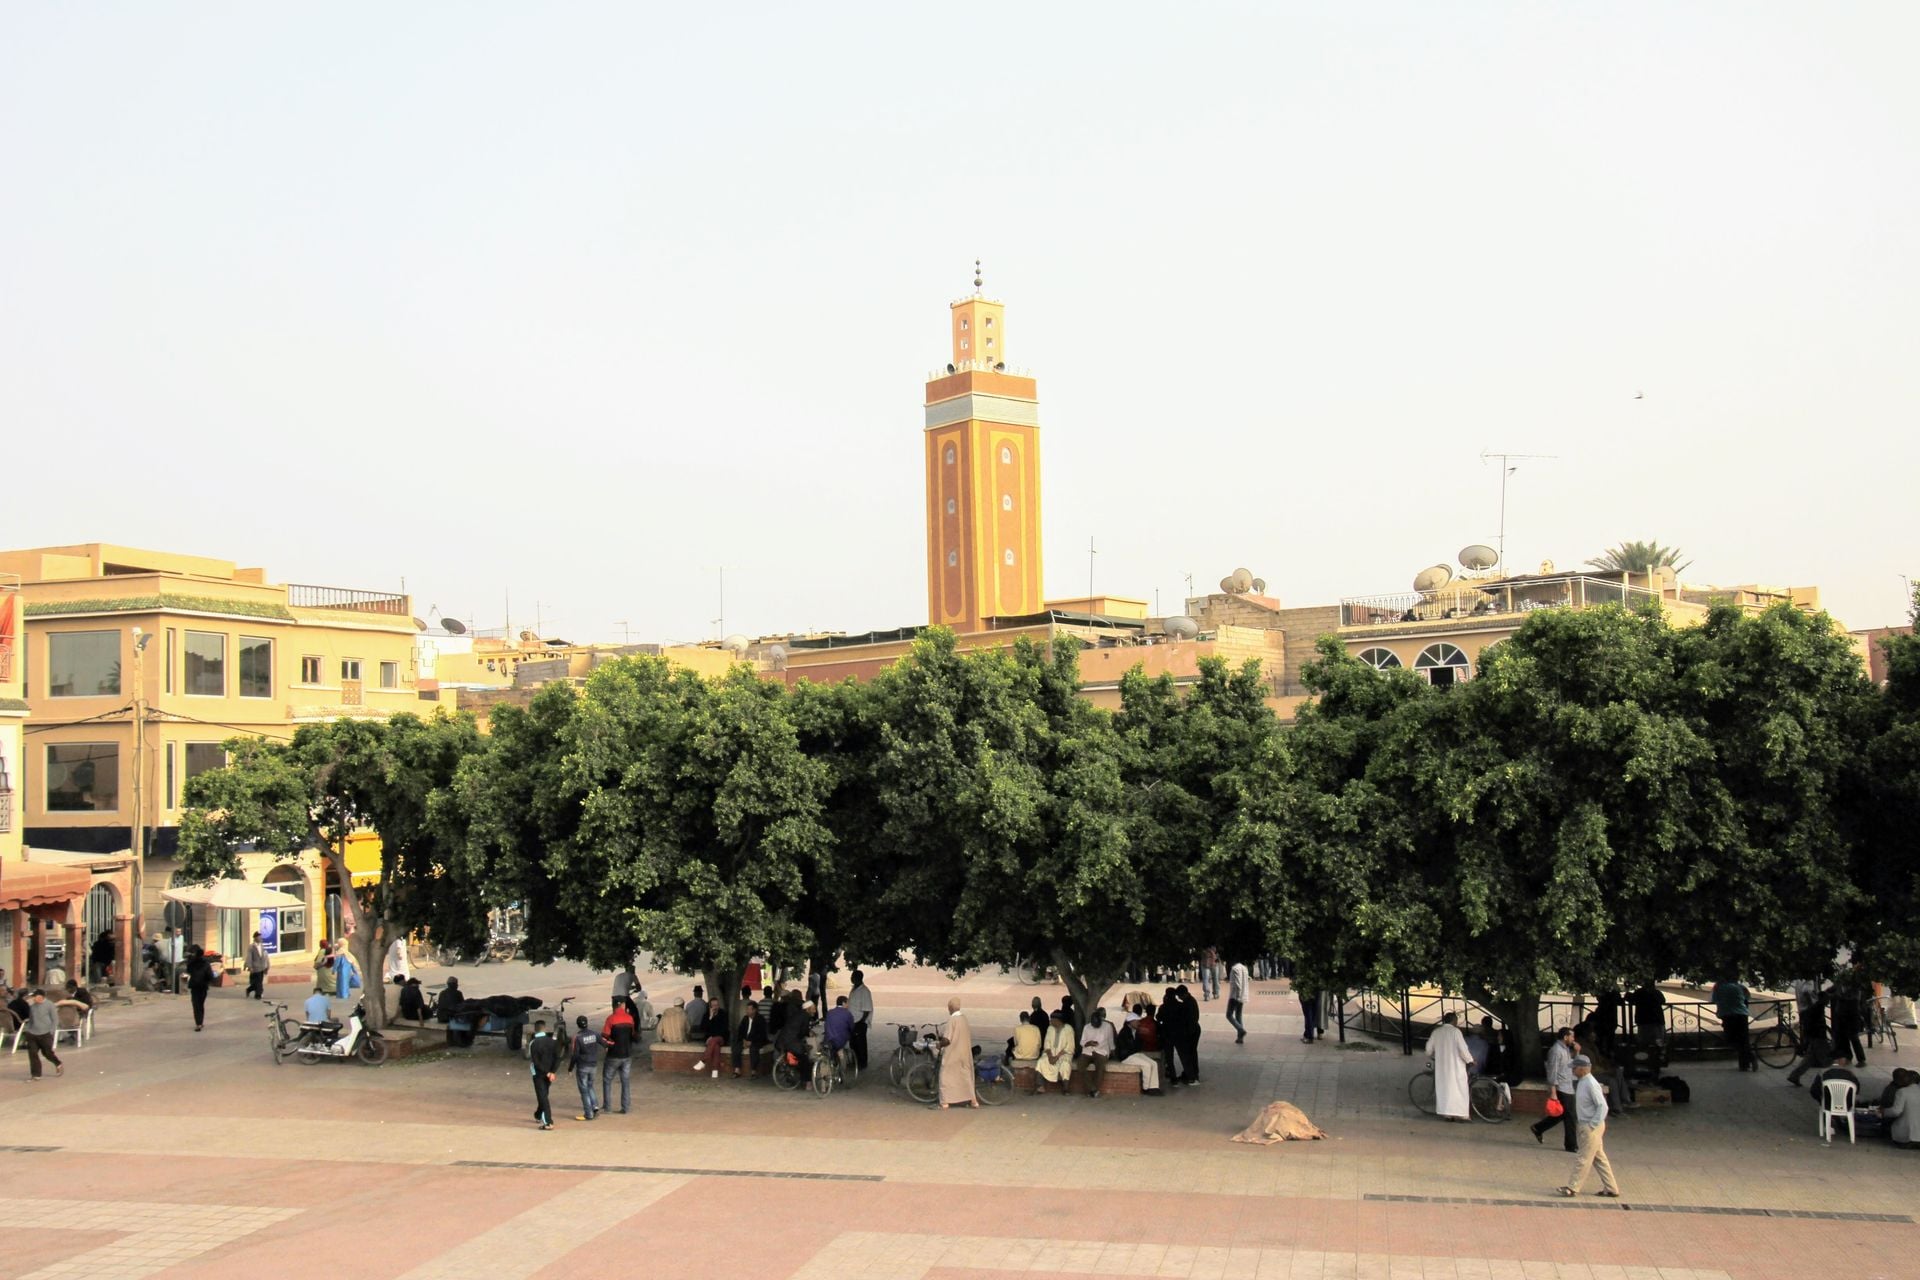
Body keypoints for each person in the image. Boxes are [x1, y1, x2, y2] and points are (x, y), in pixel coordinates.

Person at [1559, 1055, 1622, 1197]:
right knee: (1599, 1158)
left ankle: (1572, 1187)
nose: (1573, 1071)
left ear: (1582, 1068)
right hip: (1589, 1124)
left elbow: (1602, 1106)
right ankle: (1611, 1188)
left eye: (1574, 1068)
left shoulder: (1590, 1084)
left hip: (1589, 1125)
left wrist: (1592, 1124)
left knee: (1583, 1157)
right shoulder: (1583, 1081)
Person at [1531, 1027, 1579, 1151]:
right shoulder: (1556, 1051)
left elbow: (1570, 1064)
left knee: (1561, 1114)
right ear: (1565, 1037)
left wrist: (1576, 1052)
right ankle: (1571, 1145)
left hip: (1568, 1085)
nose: (1573, 1039)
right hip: (1561, 1088)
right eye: (1572, 1036)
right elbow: (1552, 1072)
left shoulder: (1566, 1050)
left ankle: (1539, 1128)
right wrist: (1553, 1092)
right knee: (1571, 1116)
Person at [1426, 1011, 1474, 1122]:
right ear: (1454, 1021)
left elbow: (1428, 1050)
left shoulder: (1436, 1032)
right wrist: (1470, 1060)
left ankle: (1447, 1114)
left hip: (1442, 1066)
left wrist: (1434, 1054)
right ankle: (1462, 1114)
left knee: (1445, 1089)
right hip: (1456, 1066)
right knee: (1460, 1089)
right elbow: (1463, 1049)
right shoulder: (1455, 1032)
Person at [935, 997, 977, 1109]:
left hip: (953, 1054)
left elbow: (947, 1040)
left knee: (945, 1076)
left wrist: (939, 1044)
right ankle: (973, 1100)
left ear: (950, 1008)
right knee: (966, 1076)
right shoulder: (964, 1019)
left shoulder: (952, 1020)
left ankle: (945, 1102)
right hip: (964, 1053)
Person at [1711, 977, 1755, 1072]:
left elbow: (1714, 999)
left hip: (1728, 1014)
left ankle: (1750, 1057)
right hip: (1742, 1014)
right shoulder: (1740, 987)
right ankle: (1745, 1064)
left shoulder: (1718, 987)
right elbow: (1747, 997)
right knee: (1743, 1039)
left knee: (1731, 1038)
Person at [1113, 1012, 1164, 1094]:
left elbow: (1138, 1046)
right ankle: (1146, 1088)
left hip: (1134, 1054)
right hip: (1126, 1056)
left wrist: (1141, 1035)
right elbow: (1126, 1049)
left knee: (1154, 1063)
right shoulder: (1124, 1033)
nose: (1138, 1023)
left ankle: (1154, 1087)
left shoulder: (1136, 1032)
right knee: (1146, 1065)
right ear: (1131, 1022)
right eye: (1136, 1021)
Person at [601, 998, 637, 1110]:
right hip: (627, 1055)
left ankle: (608, 1107)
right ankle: (625, 1107)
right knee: (625, 1081)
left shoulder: (610, 1019)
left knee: (607, 1080)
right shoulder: (630, 1019)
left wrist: (608, 1045)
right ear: (623, 1005)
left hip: (613, 1055)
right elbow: (633, 1035)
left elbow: (604, 1036)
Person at [20, 990, 63, 1080]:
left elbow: (55, 1020)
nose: (33, 998)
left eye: (35, 996)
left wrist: (51, 1031)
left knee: (47, 1053)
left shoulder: (50, 1005)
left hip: (45, 1033)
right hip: (32, 1033)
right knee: (33, 1054)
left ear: (41, 997)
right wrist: (27, 1030)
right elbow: (31, 1019)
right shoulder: (32, 1006)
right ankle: (36, 1075)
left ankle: (57, 1063)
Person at [568, 1015, 602, 1121]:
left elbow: (575, 1055)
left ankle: (588, 1114)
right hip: (593, 1065)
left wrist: (570, 1068)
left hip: (583, 1066)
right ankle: (595, 1106)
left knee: (584, 1091)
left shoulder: (578, 1037)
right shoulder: (594, 1034)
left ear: (578, 1025)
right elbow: (604, 1043)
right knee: (590, 1086)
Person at [528, 1020, 560, 1130]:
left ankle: (548, 1121)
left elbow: (536, 1062)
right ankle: (538, 1114)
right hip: (550, 1074)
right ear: (545, 1029)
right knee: (544, 1094)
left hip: (539, 1074)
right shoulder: (553, 1042)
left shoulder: (534, 1043)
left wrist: (546, 1072)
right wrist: (552, 1072)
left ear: (535, 1029)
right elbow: (558, 1058)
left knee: (542, 1097)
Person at [1080, 1006, 1117, 1098]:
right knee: (1080, 1066)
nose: (1095, 1025)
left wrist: (1113, 1052)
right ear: (1091, 1021)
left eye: (1097, 1023)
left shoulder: (1107, 1026)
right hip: (1088, 1051)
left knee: (1100, 1068)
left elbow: (1110, 1040)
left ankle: (1093, 1090)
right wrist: (1088, 1043)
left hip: (1101, 1051)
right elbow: (1082, 1042)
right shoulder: (1087, 1027)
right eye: (1094, 1024)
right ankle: (1093, 1089)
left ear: (1100, 1020)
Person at [1880, 1070, 1920, 1148]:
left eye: (1904, 1077)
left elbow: (1896, 1111)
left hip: (1908, 1135)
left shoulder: (1902, 1091)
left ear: (1908, 1079)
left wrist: (1884, 1112)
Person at [693, 994, 728, 1079]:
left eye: (717, 1005)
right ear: (710, 1006)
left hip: (721, 1037)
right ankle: (715, 1071)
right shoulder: (706, 1015)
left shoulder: (723, 1014)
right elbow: (703, 1028)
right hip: (711, 1039)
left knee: (714, 1041)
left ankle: (703, 1061)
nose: (716, 1007)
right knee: (715, 1047)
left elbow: (723, 1029)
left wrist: (712, 1037)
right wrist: (710, 1018)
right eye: (714, 1005)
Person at [731, 1000, 767, 1080]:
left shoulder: (760, 1019)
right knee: (736, 1048)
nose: (747, 1011)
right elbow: (740, 1031)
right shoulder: (745, 1019)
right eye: (747, 1009)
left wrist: (751, 1042)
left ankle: (754, 1071)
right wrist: (743, 1040)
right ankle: (737, 1069)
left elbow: (761, 1034)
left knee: (754, 1050)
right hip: (745, 1040)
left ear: (754, 1010)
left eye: (749, 1009)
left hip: (756, 1041)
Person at [847, 969, 874, 1070]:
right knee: (853, 1043)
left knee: (861, 1043)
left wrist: (861, 1022)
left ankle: (862, 1063)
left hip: (860, 1022)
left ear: (857, 978)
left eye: (852, 977)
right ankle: (855, 1061)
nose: (851, 979)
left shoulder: (865, 991)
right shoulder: (854, 989)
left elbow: (867, 1009)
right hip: (852, 1021)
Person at [186, 946, 214, 1032]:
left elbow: (188, 970)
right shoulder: (206, 964)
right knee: (201, 1004)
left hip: (194, 986)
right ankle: (200, 1022)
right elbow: (210, 976)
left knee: (196, 1005)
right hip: (203, 987)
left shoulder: (192, 963)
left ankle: (198, 1023)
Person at [823, 995, 854, 1073]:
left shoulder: (830, 1012)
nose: (848, 1005)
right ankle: (841, 1072)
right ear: (843, 1003)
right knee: (841, 1052)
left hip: (828, 1038)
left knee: (830, 1052)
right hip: (840, 1040)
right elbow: (851, 1027)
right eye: (847, 1003)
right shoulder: (847, 1013)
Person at [1226, 961, 1250, 1044]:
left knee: (1229, 1015)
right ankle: (1240, 1038)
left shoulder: (1235, 969)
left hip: (1235, 995)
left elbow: (1238, 983)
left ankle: (1240, 1029)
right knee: (1238, 1015)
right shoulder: (1244, 968)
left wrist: (1238, 996)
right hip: (1242, 995)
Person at [243, 932, 269, 1000]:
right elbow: (249, 957)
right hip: (255, 967)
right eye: (259, 937)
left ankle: (249, 990)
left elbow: (265, 956)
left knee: (258, 982)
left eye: (261, 937)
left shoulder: (262, 946)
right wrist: (250, 966)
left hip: (262, 966)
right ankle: (258, 995)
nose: (260, 938)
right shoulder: (251, 947)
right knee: (258, 982)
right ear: (255, 938)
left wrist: (267, 966)